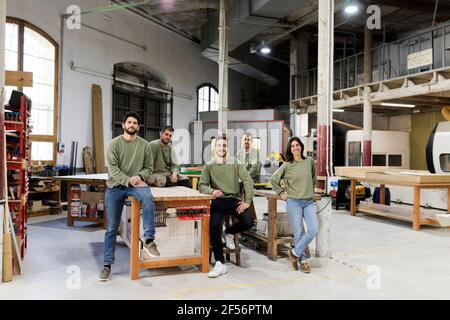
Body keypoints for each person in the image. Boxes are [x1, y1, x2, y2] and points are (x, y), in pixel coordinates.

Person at [99, 112, 160, 282]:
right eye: (129, 122)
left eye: (135, 123)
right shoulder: (114, 144)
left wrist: (140, 176)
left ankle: (148, 239)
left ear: (138, 127)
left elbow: (149, 167)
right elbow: (113, 169)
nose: (132, 125)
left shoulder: (145, 145)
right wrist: (129, 180)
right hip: (115, 187)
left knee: (148, 197)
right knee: (112, 227)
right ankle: (107, 265)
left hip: (136, 184)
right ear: (123, 125)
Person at [199, 135, 254, 278]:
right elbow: (202, 185)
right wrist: (212, 191)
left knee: (248, 222)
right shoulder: (209, 165)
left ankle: (229, 232)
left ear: (227, 148)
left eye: (224, 145)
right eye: (219, 145)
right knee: (214, 227)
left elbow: (248, 180)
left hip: (233, 200)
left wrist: (247, 201)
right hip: (218, 201)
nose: (222, 148)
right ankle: (220, 263)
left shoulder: (235, 162)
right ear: (214, 148)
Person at [271, 137, 318, 274]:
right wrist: (281, 193)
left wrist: (309, 189)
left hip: (308, 201)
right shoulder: (287, 165)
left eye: (297, 145)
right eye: (292, 146)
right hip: (294, 202)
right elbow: (274, 179)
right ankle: (303, 261)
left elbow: (313, 178)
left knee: (314, 229)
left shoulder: (309, 161)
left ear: (301, 147)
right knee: (299, 232)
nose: (295, 148)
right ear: (290, 149)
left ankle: (295, 253)